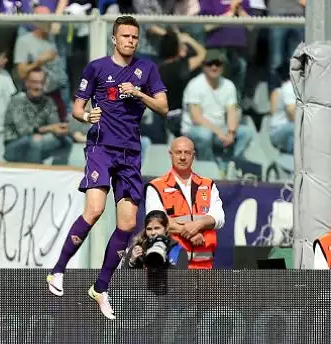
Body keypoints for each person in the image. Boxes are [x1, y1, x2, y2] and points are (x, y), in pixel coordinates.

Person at [46, 15, 169, 320]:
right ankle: (57, 271)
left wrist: (139, 93)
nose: (130, 41)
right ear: (114, 39)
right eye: (125, 36)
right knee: (95, 209)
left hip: (130, 154)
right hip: (101, 148)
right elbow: (77, 107)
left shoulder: (147, 69)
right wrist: (84, 116)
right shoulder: (97, 68)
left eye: (134, 37)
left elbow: (164, 107)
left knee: (127, 225)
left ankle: (100, 287)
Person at [145, 137, 225, 269]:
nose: (182, 157)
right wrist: (188, 232)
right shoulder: (155, 187)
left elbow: (219, 218)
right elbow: (156, 222)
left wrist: (199, 223)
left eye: (187, 153)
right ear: (170, 155)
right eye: (178, 152)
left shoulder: (208, 184)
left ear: (193, 156)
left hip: (205, 267)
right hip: (173, 265)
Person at [121, 210, 189, 269]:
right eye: (149, 229)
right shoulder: (137, 249)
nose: (153, 233)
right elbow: (124, 281)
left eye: (157, 228)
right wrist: (132, 262)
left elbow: (181, 281)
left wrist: (163, 261)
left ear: (166, 228)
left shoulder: (177, 250)